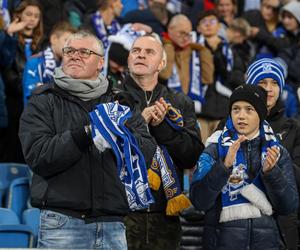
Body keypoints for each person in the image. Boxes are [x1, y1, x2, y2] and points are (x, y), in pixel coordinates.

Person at [18, 30, 157, 249]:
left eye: (84, 52)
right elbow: (38, 156)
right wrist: (85, 134)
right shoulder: (42, 101)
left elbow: (147, 152)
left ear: (101, 63)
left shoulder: (121, 102)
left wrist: (119, 138)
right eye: (70, 50)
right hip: (62, 223)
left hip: (113, 224)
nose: (75, 55)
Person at [117, 34, 204, 249]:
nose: (141, 55)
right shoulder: (111, 97)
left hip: (165, 215)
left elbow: (192, 156)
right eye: (136, 51)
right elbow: (103, 148)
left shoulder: (180, 102)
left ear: (162, 63)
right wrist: (140, 123)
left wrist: (162, 129)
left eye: (149, 52)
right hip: (119, 214)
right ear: (128, 59)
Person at [190, 84, 298, 250]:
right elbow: (198, 201)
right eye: (236, 109)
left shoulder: (277, 152)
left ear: (261, 114)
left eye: (249, 109)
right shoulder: (214, 148)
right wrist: (223, 167)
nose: (241, 116)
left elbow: (289, 206)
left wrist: (272, 173)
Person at [246, 57, 300, 250]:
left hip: (283, 223)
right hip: (242, 220)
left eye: (274, 83)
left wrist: (275, 162)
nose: (269, 88)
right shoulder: (230, 125)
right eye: (262, 82)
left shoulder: (293, 127)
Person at [159, 14, 214, 122]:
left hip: (193, 111)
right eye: (181, 33)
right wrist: (169, 46)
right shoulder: (160, 47)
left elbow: (208, 79)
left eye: (188, 34)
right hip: (167, 111)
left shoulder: (195, 52)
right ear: (170, 29)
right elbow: (164, 74)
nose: (185, 38)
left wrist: (204, 50)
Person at [22, 21, 76, 104]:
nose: (70, 47)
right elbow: (31, 93)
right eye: (66, 41)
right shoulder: (35, 61)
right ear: (54, 39)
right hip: (37, 114)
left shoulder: (70, 65)